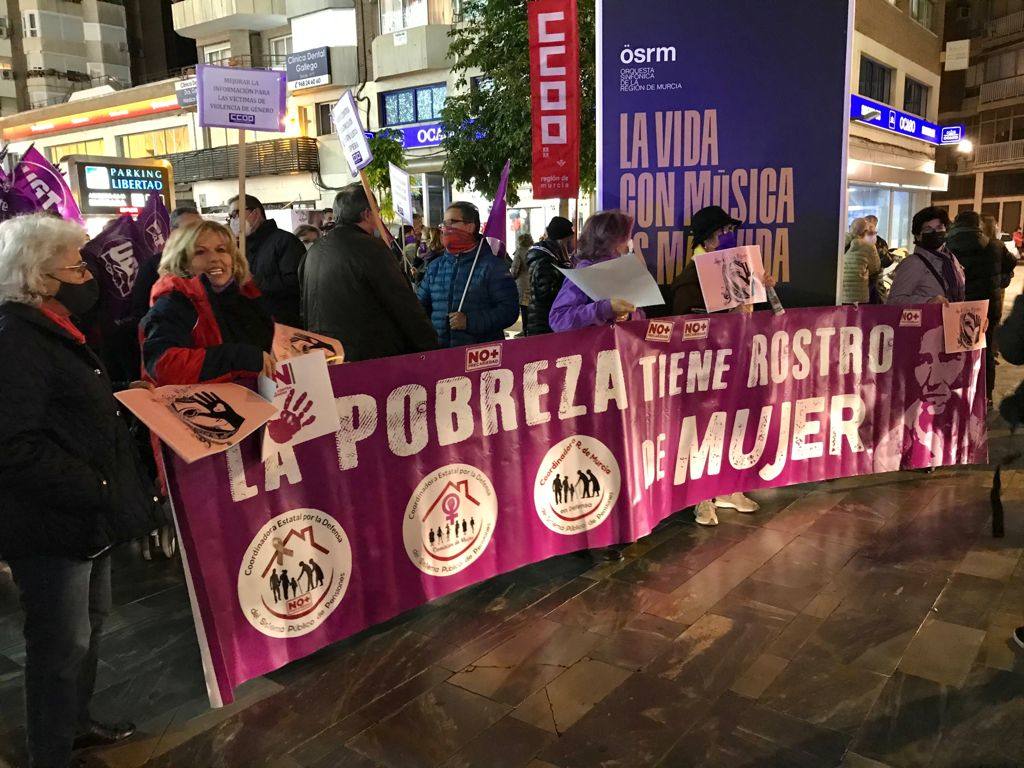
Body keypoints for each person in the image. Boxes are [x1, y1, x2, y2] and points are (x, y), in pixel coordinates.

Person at [0, 213, 165, 766]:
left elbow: (65, 404)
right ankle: (49, 751)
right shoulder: (15, 337)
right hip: (51, 520)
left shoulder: (52, 326)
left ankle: (76, 725)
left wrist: (122, 393)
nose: (85, 274)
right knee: (59, 644)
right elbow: (13, 443)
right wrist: (92, 484)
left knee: (89, 630)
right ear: (37, 275)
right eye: (72, 265)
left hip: (87, 514)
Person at [670, 205, 765, 524]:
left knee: (730, 424)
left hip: (733, 359)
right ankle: (701, 497)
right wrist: (726, 317)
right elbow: (687, 325)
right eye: (722, 233)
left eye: (728, 232)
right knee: (702, 428)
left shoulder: (734, 269)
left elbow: (748, 311)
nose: (728, 237)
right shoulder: (690, 278)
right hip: (703, 365)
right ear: (707, 239)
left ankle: (725, 487)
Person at [300, 183, 438, 361]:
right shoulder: (371, 249)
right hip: (369, 356)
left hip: (327, 355)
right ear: (366, 214)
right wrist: (429, 345)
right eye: (377, 212)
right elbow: (402, 303)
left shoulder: (314, 251)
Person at [141, 221, 275, 385]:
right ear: (183, 262)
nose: (214, 258)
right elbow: (163, 365)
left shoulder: (248, 296)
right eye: (200, 252)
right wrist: (238, 357)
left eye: (221, 250)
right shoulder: (174, 302)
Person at [417, 201, 519, 348]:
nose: (445, 228)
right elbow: (419, 307)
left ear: (470, 226)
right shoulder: (435, 267)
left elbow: (509, 311)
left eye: (451, 222)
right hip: (441, 355)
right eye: (444, 223)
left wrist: (469, 322)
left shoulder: (492, 266)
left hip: (480, 357)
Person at [946, 211, 1010, 403]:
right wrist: (1000, 279)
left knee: (955, 352)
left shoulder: (948, 246)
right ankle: (985, 394)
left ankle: (957, 394)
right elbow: (1011, 263)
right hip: (987, 307)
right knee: (986, 350)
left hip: (957, 306)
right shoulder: (994, 246)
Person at [548, 211, 643, 331]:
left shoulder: (623, 271)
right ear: (611, 241)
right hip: (589, 348)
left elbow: (640, 313)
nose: (629, 243)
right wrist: (605, 309)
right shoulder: (584, 274)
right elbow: (558, 319)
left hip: (619, 346)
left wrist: (628, 315)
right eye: (626, 238)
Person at [228, 194, 305, 327]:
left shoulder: (285, 242)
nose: (233, 220)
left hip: (283, 324)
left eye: (236, 214)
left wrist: (256, 280)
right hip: (254, 324)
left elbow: (295, 284)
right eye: (230, 217)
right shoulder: (240, 248)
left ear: (255, 213)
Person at [887, 207, 965, 306]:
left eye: (939, 228)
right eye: (928, 229)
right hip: (927, 320)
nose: (935, 232)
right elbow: (894, 301)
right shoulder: (913, 263)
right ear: (918, 235)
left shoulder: (950, 259)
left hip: (952, 319)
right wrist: (927, 301)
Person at [526, 216, 575, 335]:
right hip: (544, 325)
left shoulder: (552, 257)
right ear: (561, 240)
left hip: (546, 322)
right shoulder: (545, 261)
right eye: (569, 240)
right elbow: (545, 293)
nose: (571, 244)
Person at [841, 217, 881, 304]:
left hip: (839, 293)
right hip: (859, 296)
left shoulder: (839, 242)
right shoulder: (869, 247)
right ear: (865, 232)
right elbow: (875, 268)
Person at [509, 232, 535, 334]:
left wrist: (511, 278)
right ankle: (530, 329)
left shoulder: (519, 252)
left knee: (524, 309)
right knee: (530, 308)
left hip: (522, 283)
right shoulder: (532, 251)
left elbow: (514, 270)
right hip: (531, 281)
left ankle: (524, 330)